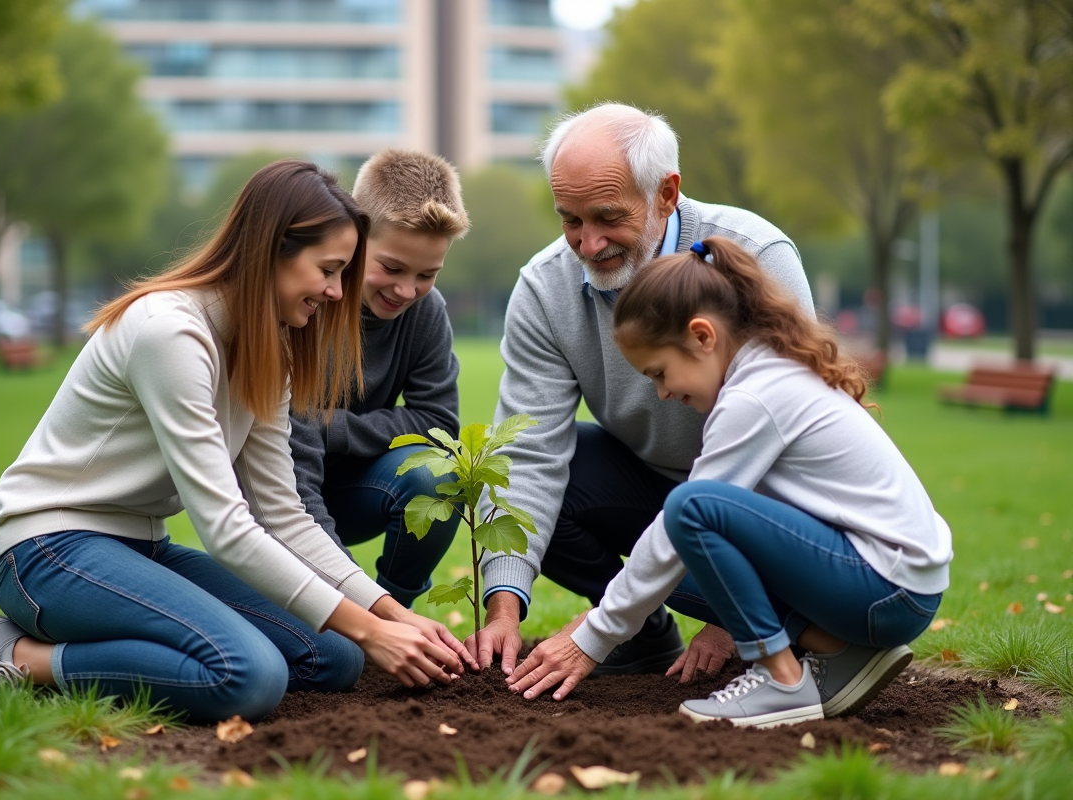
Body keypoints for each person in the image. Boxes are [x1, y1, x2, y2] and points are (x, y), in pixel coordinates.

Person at [0, 159, 473, 724]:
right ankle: (18, 655)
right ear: (272, 250)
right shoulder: (169, 332)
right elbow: (226, 528)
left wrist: (387, 613)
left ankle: (131, 650)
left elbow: (283, 513)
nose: (334, 292)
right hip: (49, 550)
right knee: (247, 674)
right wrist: (373, 627)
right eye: (328, 270)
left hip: (139, 547)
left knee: (335, 657)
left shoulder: (270, 344)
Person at [505, 237, 952, 727]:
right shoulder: (764, 370)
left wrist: (593, 635)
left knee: (689, 511)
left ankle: (781, 679)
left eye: (660, 372)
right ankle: (841, 650)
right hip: (888, 586)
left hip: (886, 588)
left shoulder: (755, 396)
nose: (662, 392)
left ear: (702, 336)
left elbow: (688, 522)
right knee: (669, 567)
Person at [468, 103, 815, 678]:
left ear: (666, 193)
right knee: (561, 471)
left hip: (768, 510)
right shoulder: (545, 288)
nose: (588, 242)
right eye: (570, 219)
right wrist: (504, 605)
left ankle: (768, 623)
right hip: (663, 492)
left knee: (731, 551)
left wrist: (727, 622)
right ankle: (644, 636)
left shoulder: (757, 259)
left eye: (607, 216)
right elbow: (527, 455)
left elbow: (795, 449)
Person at [289, 149, 469, 609]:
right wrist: (350, 601)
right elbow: (290, 463)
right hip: (278, 492)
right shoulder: (305, 303)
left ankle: (398, 609)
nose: (407, 290)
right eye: (391, 268)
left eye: (427, 274)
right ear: (356, 236)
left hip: (361, 487)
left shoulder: (426, 313)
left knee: (440, 474)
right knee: (330, 645)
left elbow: (439, 425)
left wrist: (331, 426)